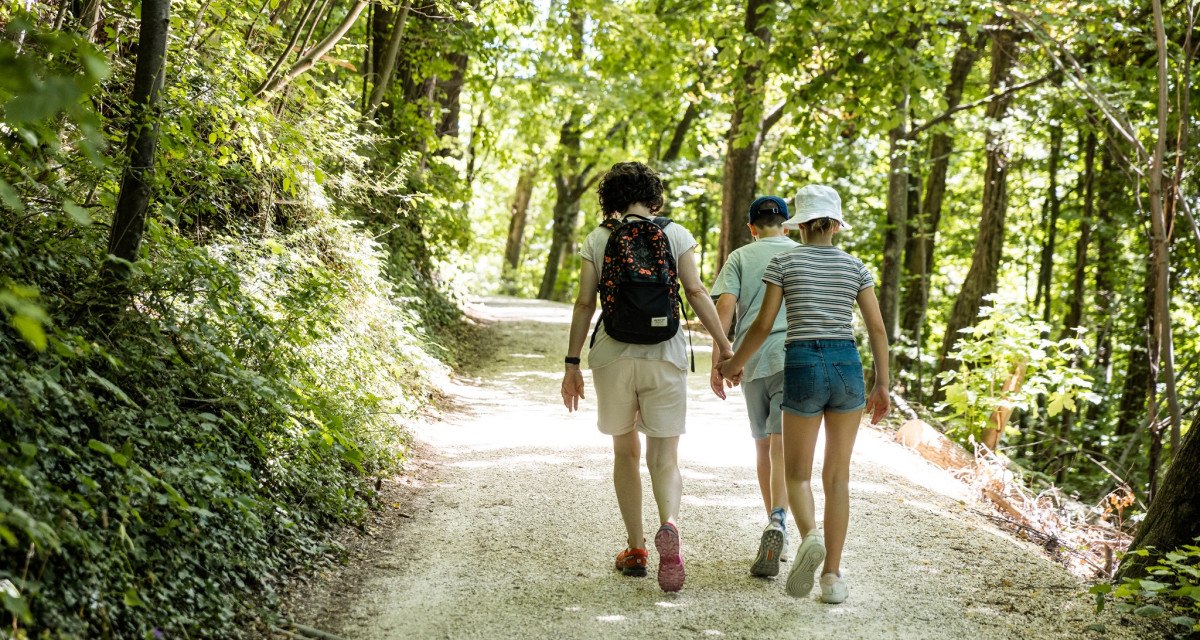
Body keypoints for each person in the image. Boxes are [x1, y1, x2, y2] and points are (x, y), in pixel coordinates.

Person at [561, 161, 734, 593]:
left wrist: (571, 364)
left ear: (612, 200)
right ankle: (669, 525)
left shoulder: (599, 238)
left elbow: (585, 304)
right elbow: (694, 292)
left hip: (613, 355)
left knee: (625, 453)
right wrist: (725, 346)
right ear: (654, 197)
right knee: (665, 458)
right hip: (667, 353)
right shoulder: (675, 233)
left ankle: (636, 549)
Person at [717, 184, 890, 604]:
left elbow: (760, 326)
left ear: (801, 223)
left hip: (802, 365)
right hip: (847, 365)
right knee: (838, 477)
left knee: (796, 474)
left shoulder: (785, 262)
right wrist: (882, 384)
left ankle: (809, 535)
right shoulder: (855, 267)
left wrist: (733, 363)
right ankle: (832, 576)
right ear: (834, 224)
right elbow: (877, 329)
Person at [710, 195, 799, 578]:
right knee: (783, 444)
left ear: (752, 227)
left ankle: (771, 519)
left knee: (762, 445)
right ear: (786, 224)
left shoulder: (740, 258)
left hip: (752, 359)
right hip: (795, 356)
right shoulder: (800, 253)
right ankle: (779, 520)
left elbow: (724, 308)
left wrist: (722, 360)